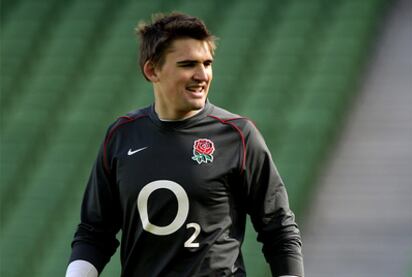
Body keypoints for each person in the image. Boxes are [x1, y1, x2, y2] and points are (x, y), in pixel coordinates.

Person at [66, 12, 304, 277]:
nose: (202, 75)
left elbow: (279, 229)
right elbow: (94, 232)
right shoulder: (121, 135)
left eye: (207, 63)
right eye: (188, 64)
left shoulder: (238, 135)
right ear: (152, 69)